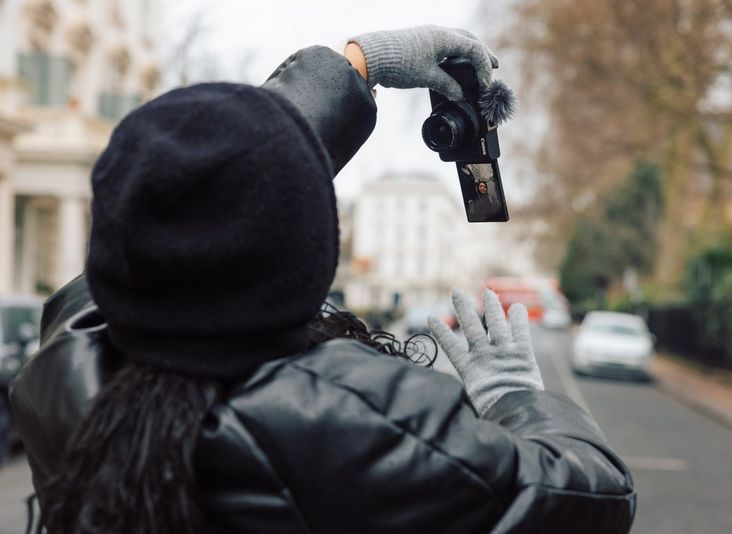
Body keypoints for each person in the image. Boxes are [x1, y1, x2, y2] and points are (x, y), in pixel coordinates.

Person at [10, 26, 635, 534]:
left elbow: (207, 189)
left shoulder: (68, 363)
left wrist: (356, 66)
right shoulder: (353, 420)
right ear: (307, 251)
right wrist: (512, 398)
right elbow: (590, 495)